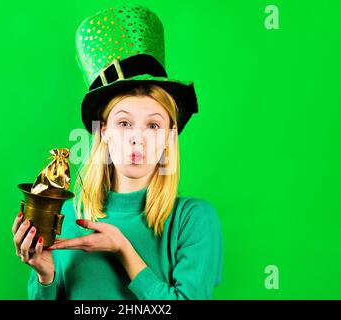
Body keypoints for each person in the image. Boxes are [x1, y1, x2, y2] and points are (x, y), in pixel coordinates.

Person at [12, 5, 223, 300]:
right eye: (124, 123)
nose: (137, 138)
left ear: (168, 138)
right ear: (105, 133)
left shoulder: (193, 219)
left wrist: (124, 250)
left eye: (153, 125)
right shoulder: (67, 216)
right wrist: (45, 276)